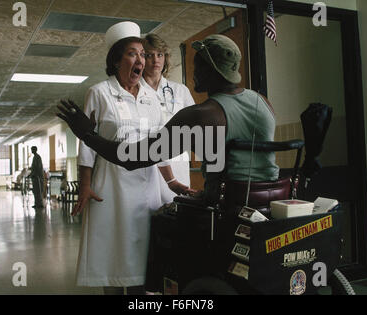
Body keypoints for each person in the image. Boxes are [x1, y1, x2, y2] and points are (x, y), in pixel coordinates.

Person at [58, 34, 279, 207]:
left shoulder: (201, 115)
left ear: (211, 69)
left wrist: (87, 135)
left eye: (198, 64)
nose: (193, 72)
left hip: (227, 205)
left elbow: (133, 158)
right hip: (269, 199)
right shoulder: (262, 102)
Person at [71, 21, 188, 295]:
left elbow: (158, 145)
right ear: (116, 60)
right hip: (109, 188)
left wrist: (170, 181)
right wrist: (84, 186)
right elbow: (87, 145)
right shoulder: (99, 93)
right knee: (111, 260)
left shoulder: (150, 97)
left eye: (143, 54)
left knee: (140, 262)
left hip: (144, 189)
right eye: (133, 54)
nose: (142, 60)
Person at [141, 34, 196, 204]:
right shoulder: (134, 90)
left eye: (160, 54)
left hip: (177, 162)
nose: (155, 60)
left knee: (175, 213)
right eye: (149, 55)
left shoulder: (180, 91)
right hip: (145, 164)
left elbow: (195, 125)